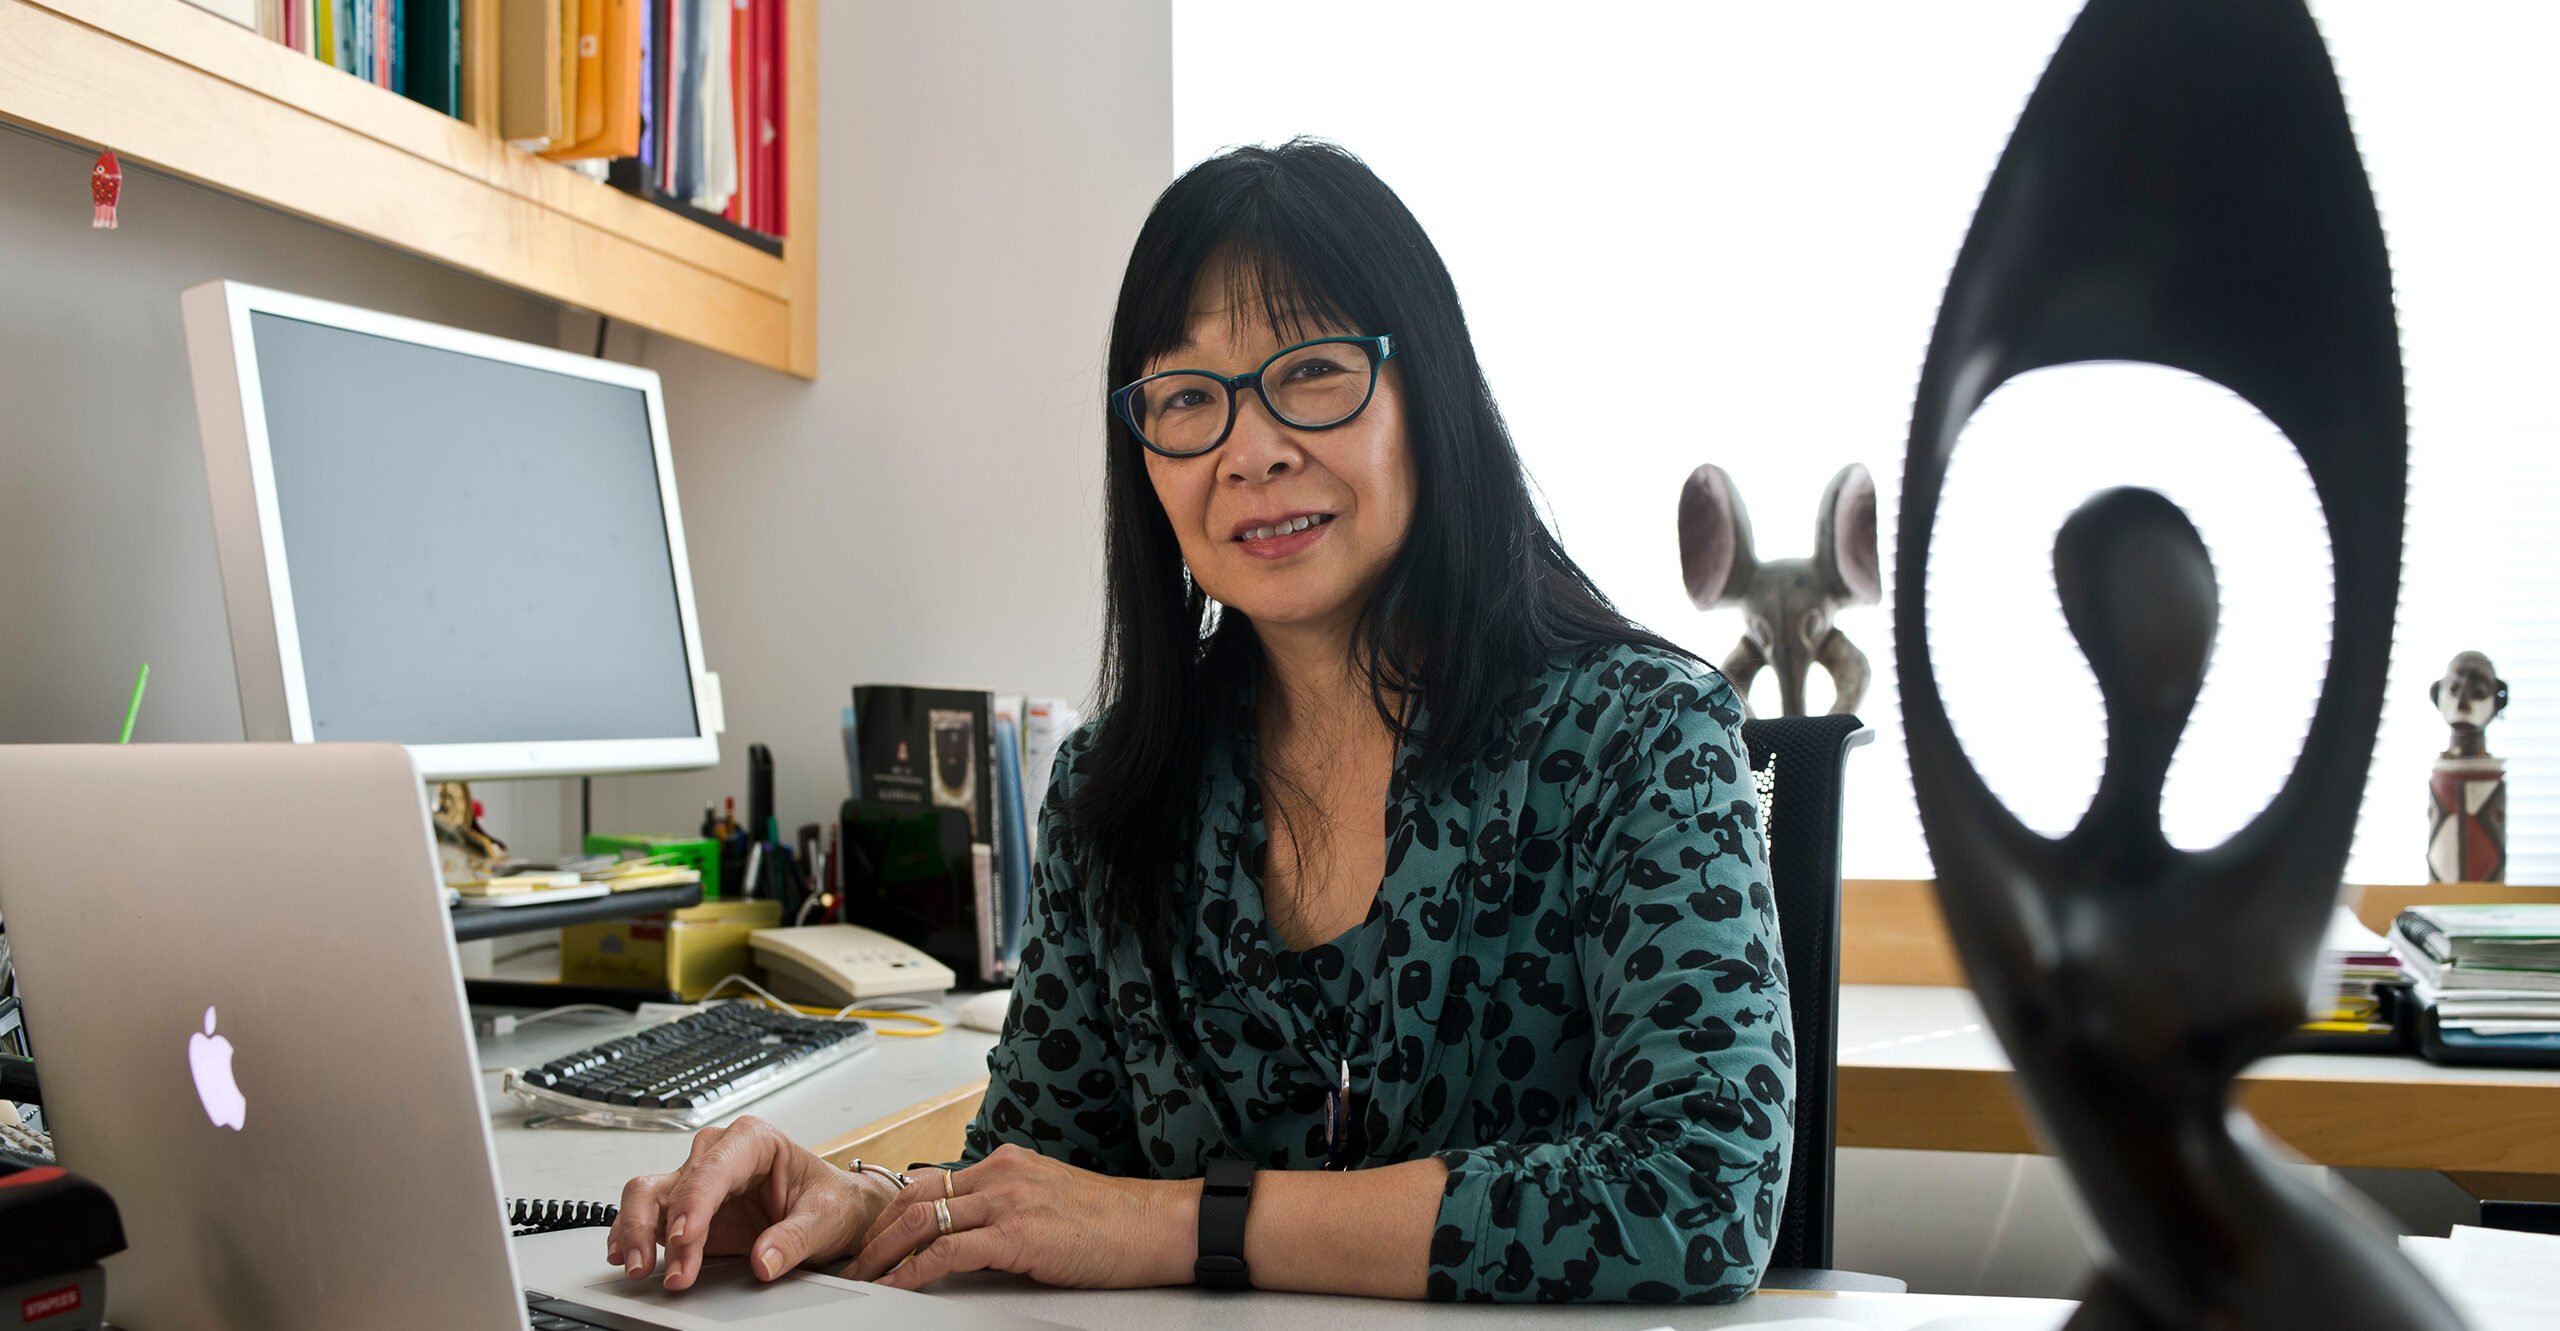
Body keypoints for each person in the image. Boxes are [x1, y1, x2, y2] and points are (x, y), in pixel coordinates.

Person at [606, 139, 1793, 1304]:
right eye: (1186, 398)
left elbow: (1699, 1191)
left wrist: (1189, 1223)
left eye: (1313, 372)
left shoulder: (1641, 735)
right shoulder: (1117, 790)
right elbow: (1046, 1179)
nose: (1251, 450)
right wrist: (855, 1201)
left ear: (1427, 390)